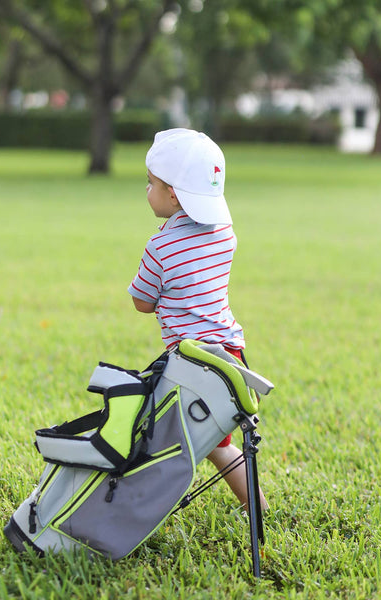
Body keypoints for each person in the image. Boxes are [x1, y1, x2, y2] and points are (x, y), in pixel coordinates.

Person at [128, 128, 267, 512]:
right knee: (216, 442)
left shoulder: (161, 246)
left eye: (151, 182)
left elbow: (142, 301)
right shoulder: (225, 232)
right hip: (230, 353)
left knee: (167, 440)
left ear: (173, 193)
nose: (147, 189)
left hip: (191, 362)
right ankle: (254, 504)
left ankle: (134, 508)